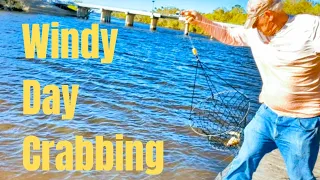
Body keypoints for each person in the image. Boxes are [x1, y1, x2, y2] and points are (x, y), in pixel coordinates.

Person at [182, 0, 320, 179]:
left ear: (269, 16)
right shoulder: (256, 32)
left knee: (300, 175)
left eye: (256, 21)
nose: (253, 27)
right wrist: (199, 20)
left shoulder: (310, 28)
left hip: (302, 123)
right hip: (266, 115)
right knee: (242, 161)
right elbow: (228, 34)